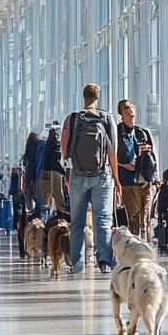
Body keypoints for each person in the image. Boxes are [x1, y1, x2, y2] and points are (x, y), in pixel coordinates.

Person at [61, 84, 121, 274]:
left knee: (77, 221)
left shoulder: (72, 118)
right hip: (102, 175)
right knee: (102, 219)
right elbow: (113, 153)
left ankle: (76, 264)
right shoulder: (107, 118)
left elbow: (64, 151)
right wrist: (117, 180)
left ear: (83, 97)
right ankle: (103, 261)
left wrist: (69, 172)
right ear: (98, 97)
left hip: (77, 176)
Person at [116, 99, 159, 239]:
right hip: (127, 181)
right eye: (126, 108)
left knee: (146, 216)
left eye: (132, 107)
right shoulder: (117, 133)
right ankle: (135, 245)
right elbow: (110, 156)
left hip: (144, 180)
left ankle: (146, 245)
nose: (130, 110)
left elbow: (153, 156)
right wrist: (122, 165)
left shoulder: (143, 132)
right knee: (133, 215)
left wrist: (155, 178)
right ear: (121, 113)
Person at [40, 127, 67, 211]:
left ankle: (45, 209)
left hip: (45, 169)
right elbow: (56, 161)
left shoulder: (46, 145)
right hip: (54, 171)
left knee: (45, 193)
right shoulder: (56, 145)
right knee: (57, 191)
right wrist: (63, 171)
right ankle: (61, 210)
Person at [22, 131, 46, 212]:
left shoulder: (28, 152)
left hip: (29, 178)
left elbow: (29, 168)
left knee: (31, 197)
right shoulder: (38, 148)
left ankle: (30, 209)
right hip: (36, 176)